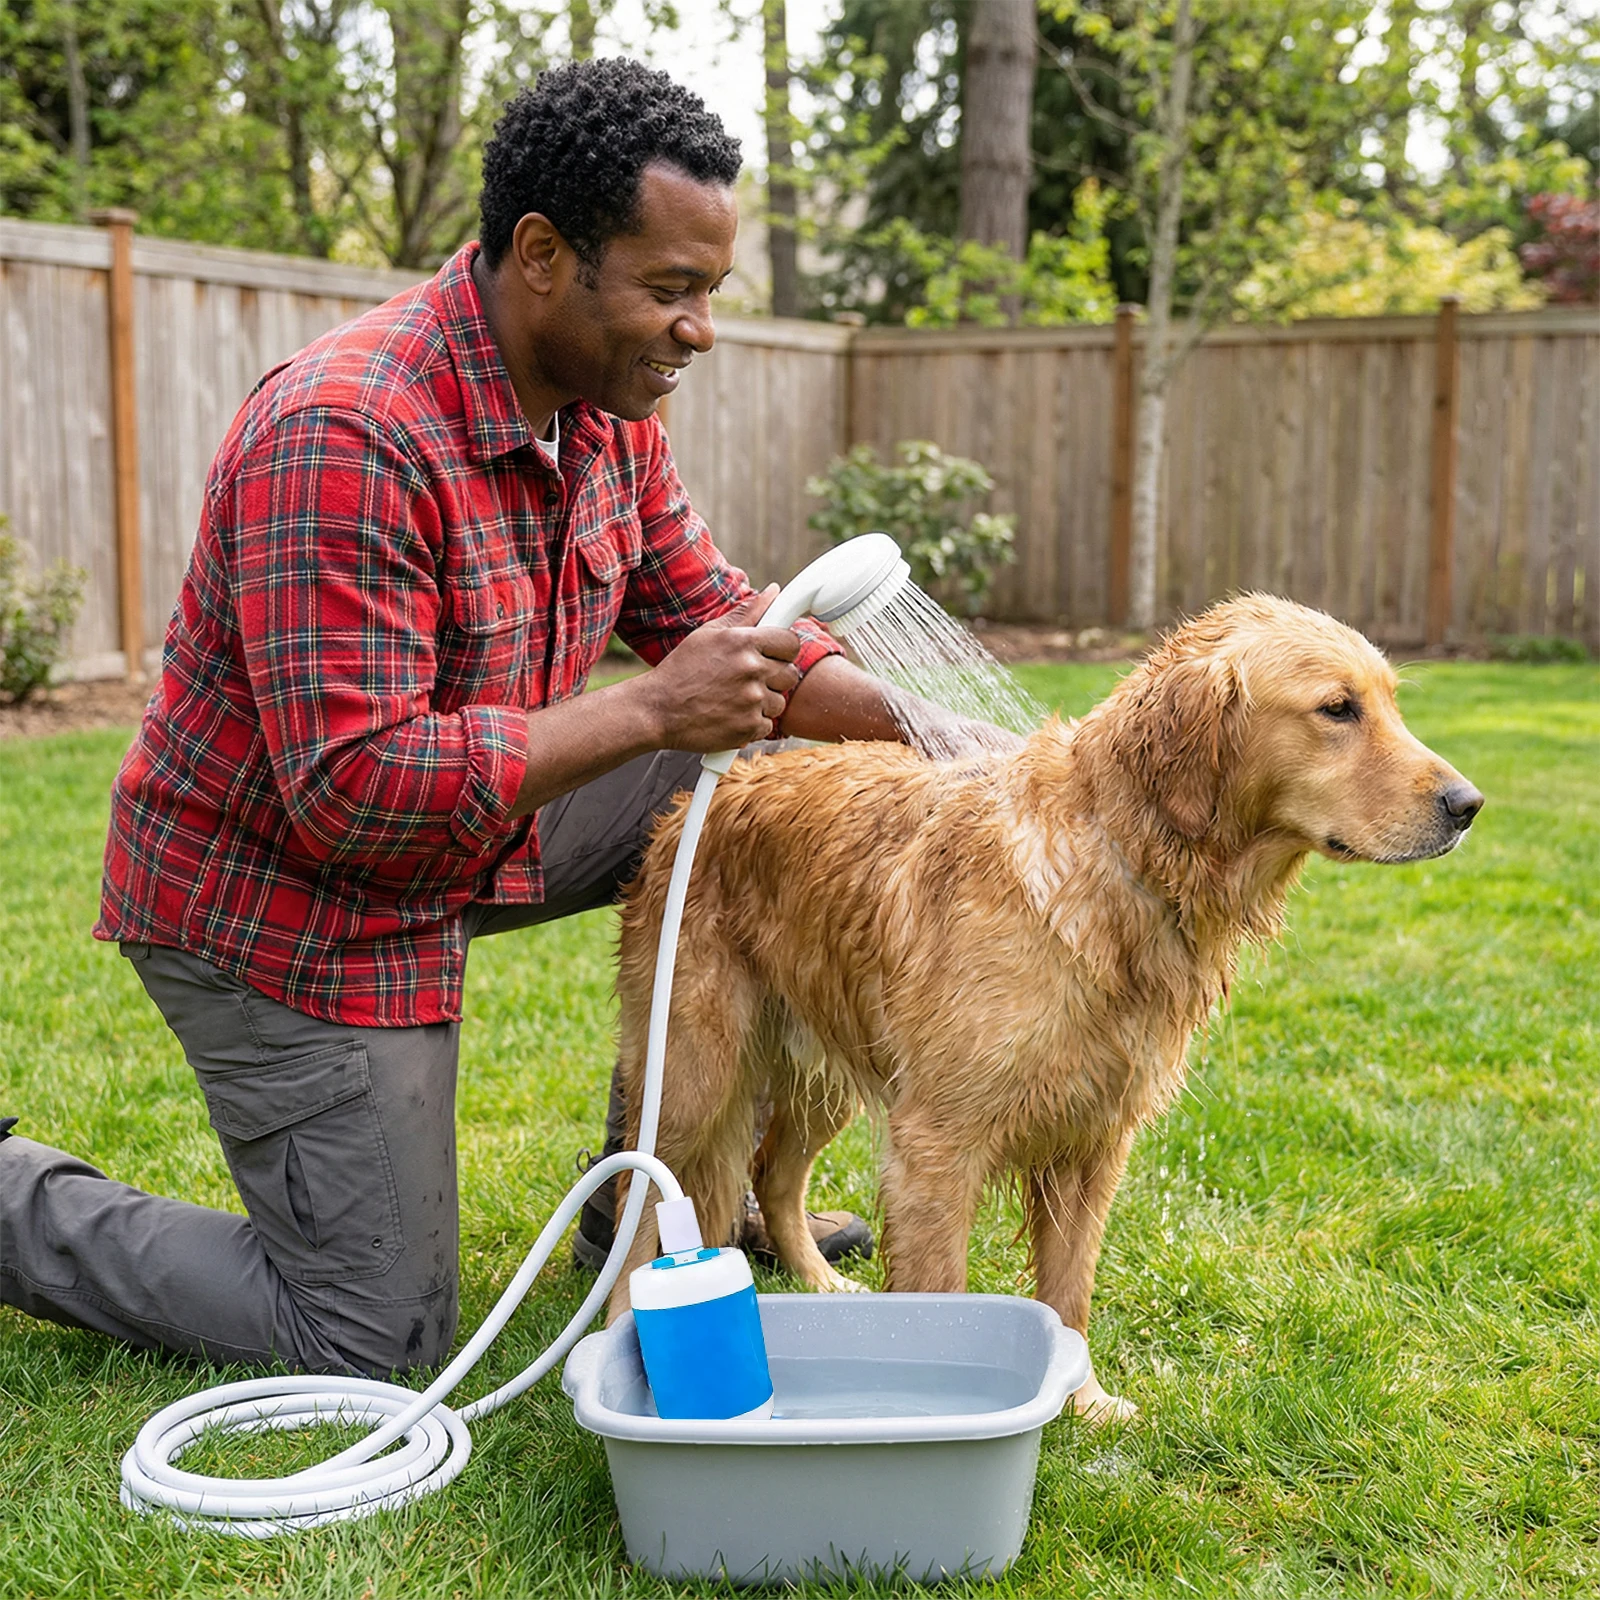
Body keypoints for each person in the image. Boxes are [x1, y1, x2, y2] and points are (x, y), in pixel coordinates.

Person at [0, 60, 925, 1378]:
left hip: (472, 829)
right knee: (370, 1335)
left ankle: (656, 1200)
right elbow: (352, 787)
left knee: (771, 757)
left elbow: (723, 618)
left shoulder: (606, 417)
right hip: (294, 900)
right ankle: (13, 1204)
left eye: (712, 290)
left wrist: (936, 735)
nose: (701, 330)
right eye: (672, 287)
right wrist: (654, 706)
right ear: (543, 256)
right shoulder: (345, 432)